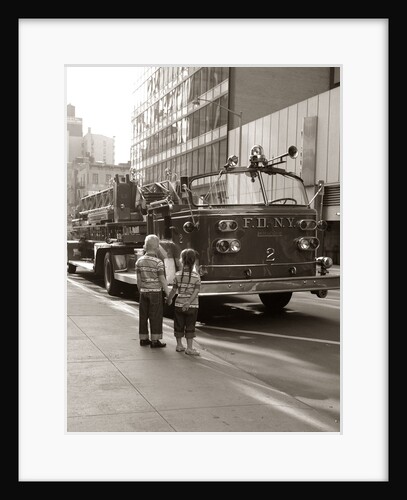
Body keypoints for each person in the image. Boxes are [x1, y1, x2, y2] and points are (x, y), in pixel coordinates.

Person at [136, 234, 170, 348]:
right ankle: (155, 340)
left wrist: (140, 289)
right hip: (155, 292)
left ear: (145, 247)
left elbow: (138, 280)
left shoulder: (139, 261)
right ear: (156, 248)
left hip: (143, 292)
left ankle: (143, 338)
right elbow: (162, 279)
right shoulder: (158, 263)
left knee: (143, 315)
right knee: (155, 316)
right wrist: (168, 293)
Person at [166, 248, 201, 356]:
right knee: (190, 326)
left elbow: (173, 290)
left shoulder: (177, 275)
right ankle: (189, 348)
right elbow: (196, 292)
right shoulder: (196, 276)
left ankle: (179, 345)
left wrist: (169, 299)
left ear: (181, 260)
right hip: (192, 306)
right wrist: (189, 302)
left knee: (179, 325)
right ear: (194, 261)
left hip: (178, 304)